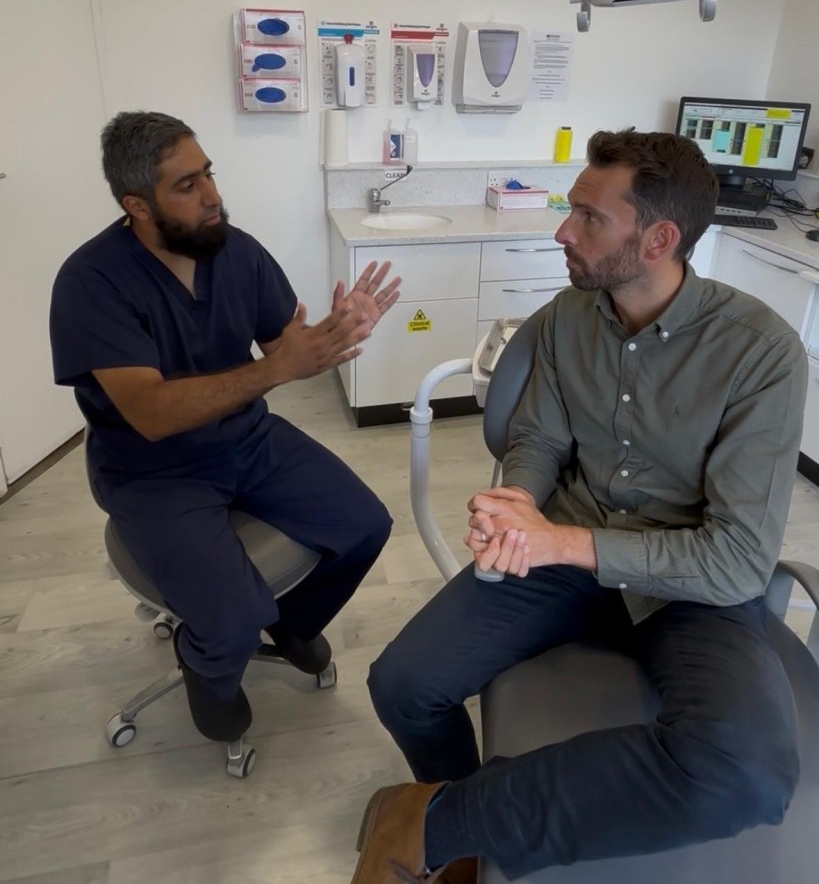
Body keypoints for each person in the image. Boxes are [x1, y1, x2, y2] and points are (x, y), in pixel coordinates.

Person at [355, 130, 808, 884]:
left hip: (689, 586)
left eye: (589, 217)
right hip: (564, 551)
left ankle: (438, 823)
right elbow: (539, 436)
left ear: (658, 239)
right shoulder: (570, 316)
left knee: (748, 773)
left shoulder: (759, 352)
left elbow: (734, 561)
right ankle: (458, 837)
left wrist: (557, 541)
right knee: (401, 686)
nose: (563, 231)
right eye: (570, 210)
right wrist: (516, 499)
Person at [50, 111, 399, 741]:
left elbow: (286, 346)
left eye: (208, 174)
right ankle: (205, 665)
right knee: (234, 617)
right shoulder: (90, 283)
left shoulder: (236, 251)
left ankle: (292, 624)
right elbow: (151, 414)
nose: (212, 195)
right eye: (187, 185)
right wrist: (277, 368)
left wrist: (335, 332)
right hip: (150, 471)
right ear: (137, 205)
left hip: (246, 439)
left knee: (365, 525)